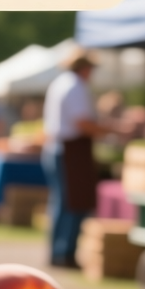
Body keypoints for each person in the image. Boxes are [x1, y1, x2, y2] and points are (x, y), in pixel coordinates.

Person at [42, 52, 102, 268]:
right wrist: (109, 130)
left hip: (59, 148)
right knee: (72, 204)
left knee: (61, 202)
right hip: (70, 150)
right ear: (85, 68)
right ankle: (64, 251)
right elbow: (82, 123)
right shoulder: (75, 87)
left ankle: (58, 251)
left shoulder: (60, 84)